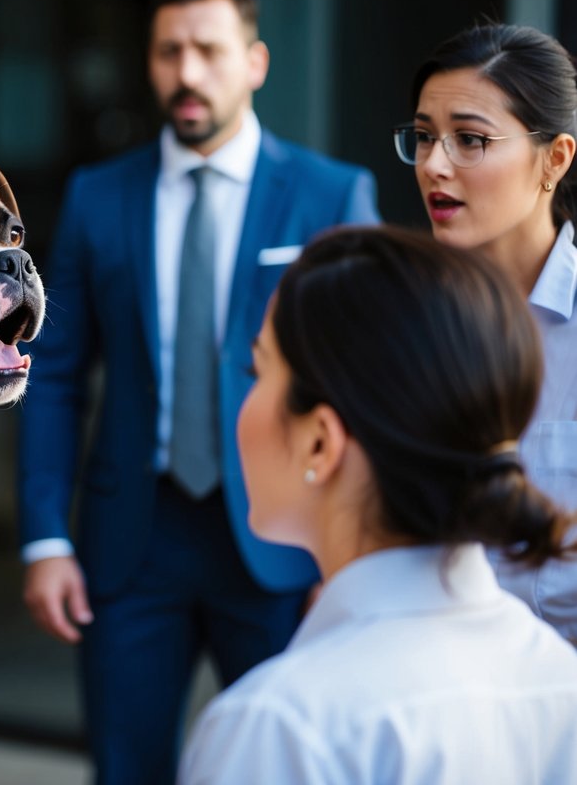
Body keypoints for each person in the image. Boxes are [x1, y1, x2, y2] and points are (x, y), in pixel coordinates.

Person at [16, 0, 380, 782]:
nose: (186, 74)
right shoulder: (96, 195)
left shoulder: (330, 194)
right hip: (129, 545)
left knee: (290, 766)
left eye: (208, 52)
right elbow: (57, 373)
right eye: (168, 52)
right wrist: (44, 536)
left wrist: (351, 555)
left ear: (253, 62)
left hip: (285, 543)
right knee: (124, 767)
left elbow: (367, 383)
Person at [178, 226, 577, 783]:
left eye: (257, 371)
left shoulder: (279, 728)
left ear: (320, 439)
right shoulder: (559, 680)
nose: (242, 405)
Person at [395, 23, 577, 639]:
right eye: (423, 138)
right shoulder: (404, 321)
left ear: (554, 158)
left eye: (469, 140)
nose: (433, 165)